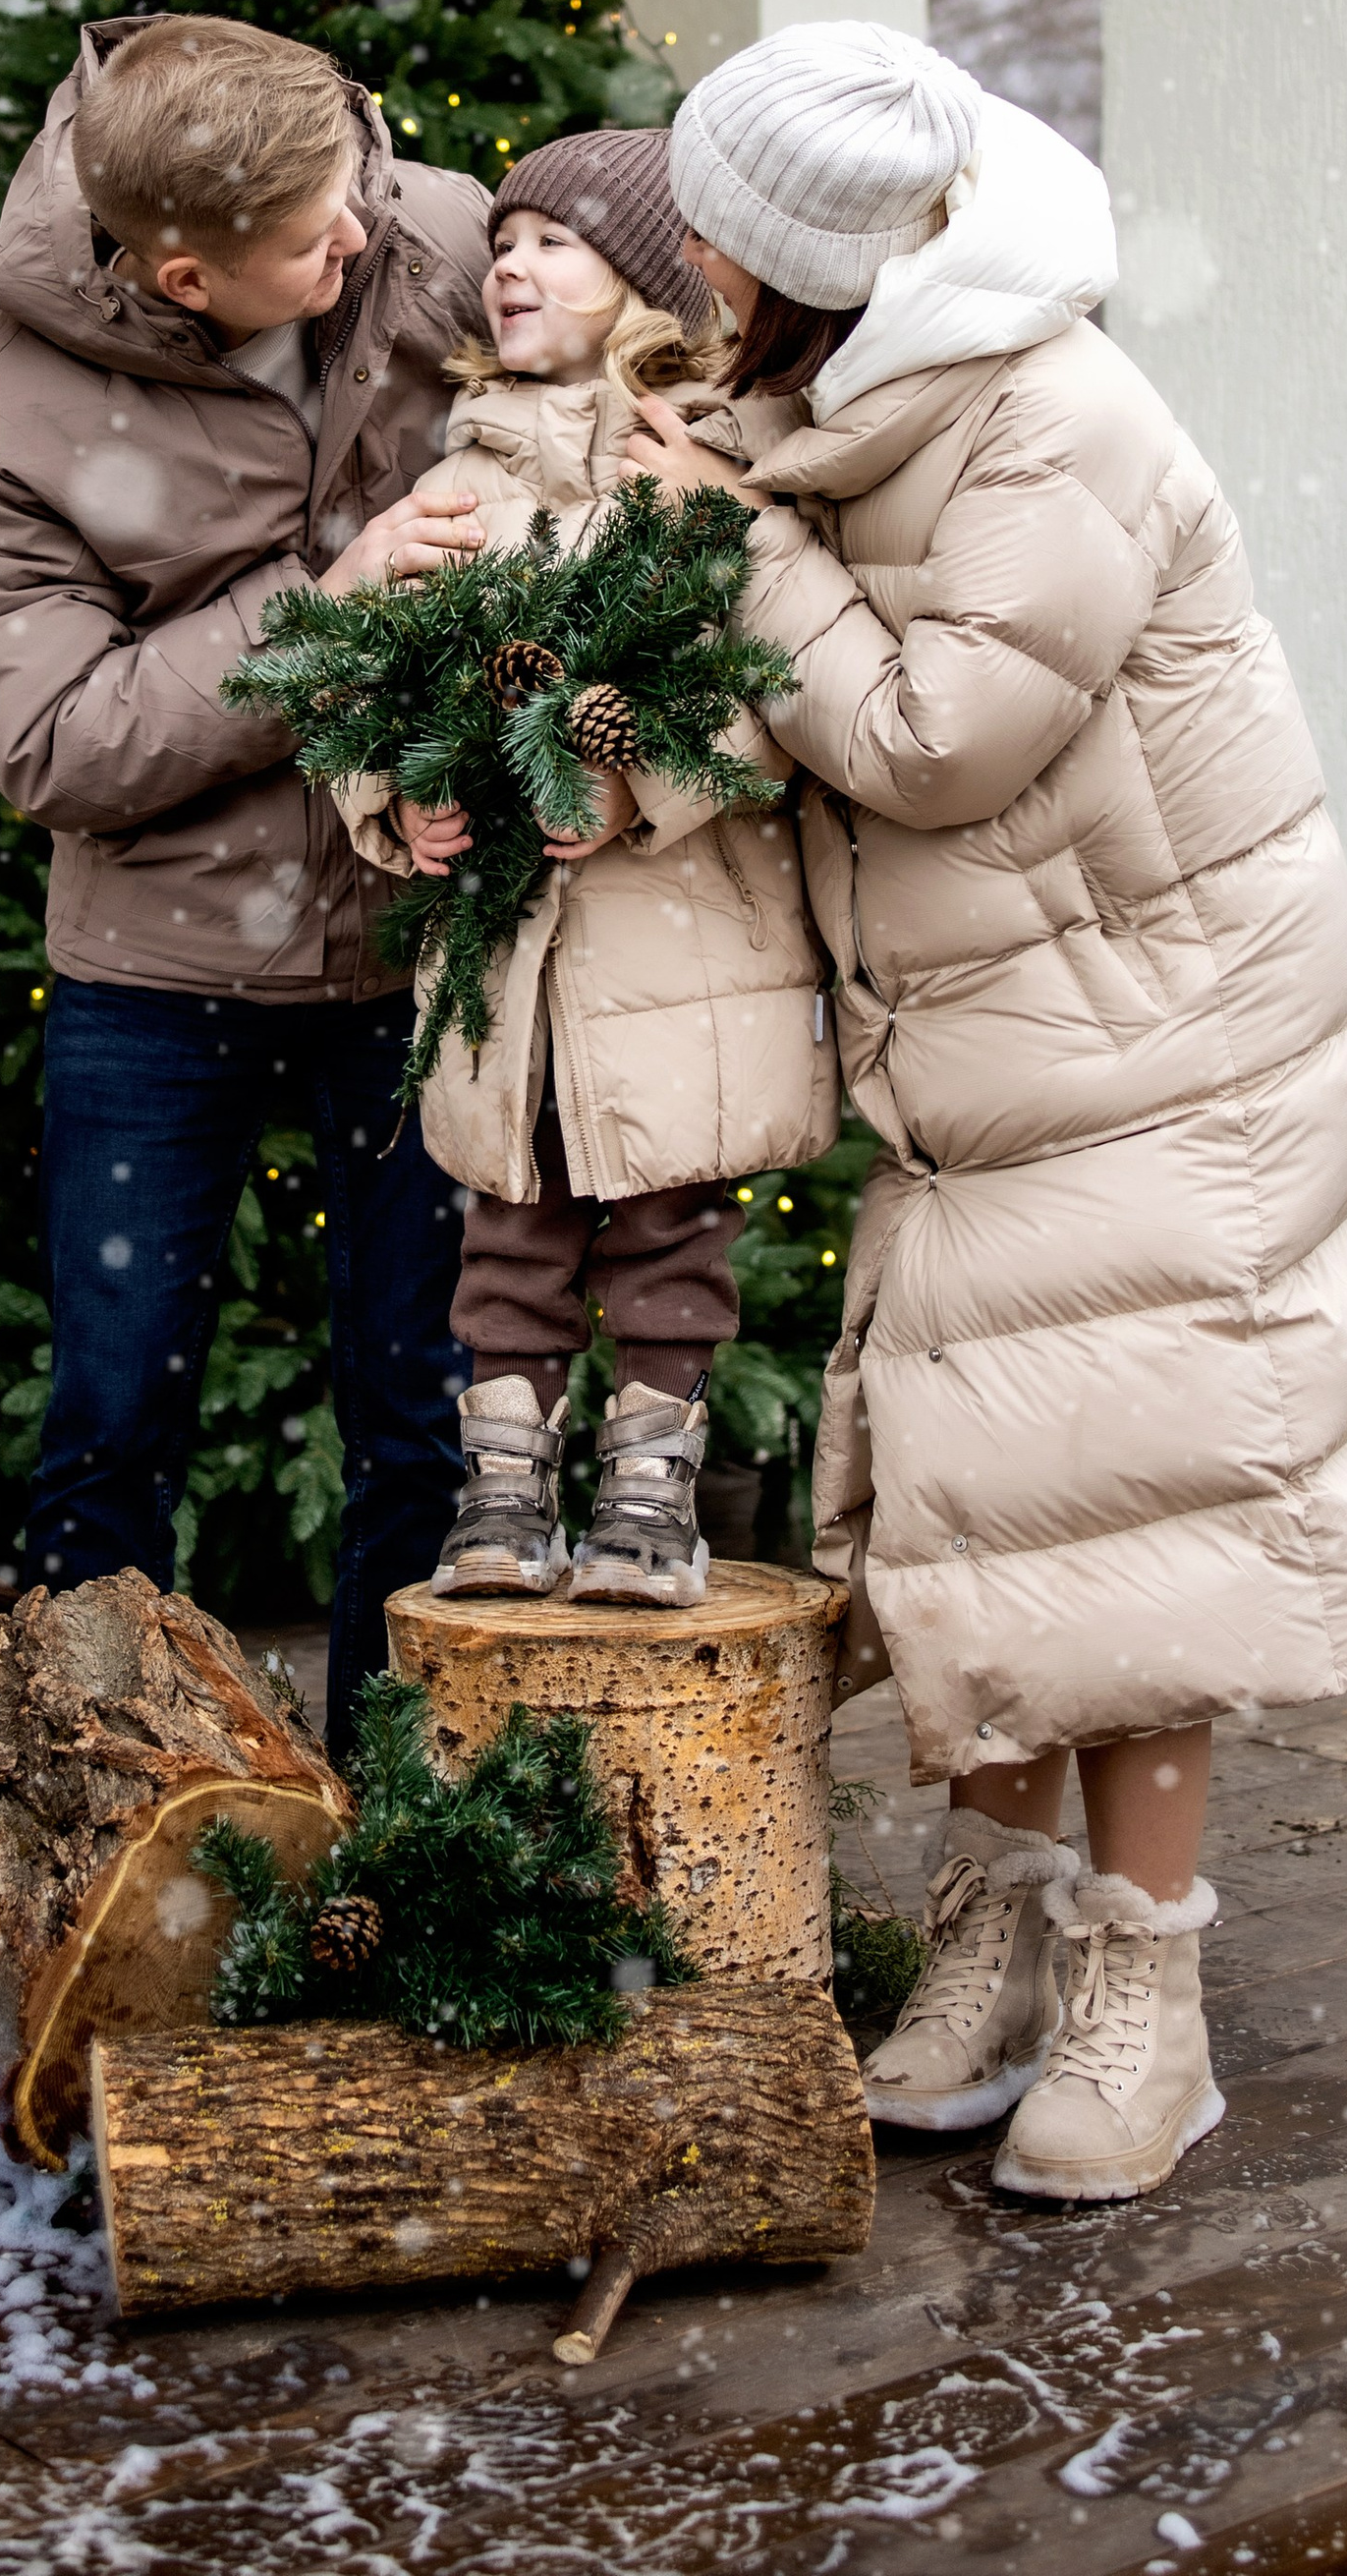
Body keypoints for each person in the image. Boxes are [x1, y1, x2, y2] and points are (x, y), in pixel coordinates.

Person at [624, 21, 1347, 2204]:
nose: (685, 269)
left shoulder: (1052, 420)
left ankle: (1144, 1996)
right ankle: (996, 1947)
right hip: (1002, 1062)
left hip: (1153, 1056)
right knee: (996, 1521)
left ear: (801, 257)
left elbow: (925, 739)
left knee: (1128, 1527)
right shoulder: (873, 376)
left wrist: (733, 542)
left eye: (713, 239)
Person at [0, 11, 491, 1722]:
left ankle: (407, 1812)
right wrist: (329, 604)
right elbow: (58, 744)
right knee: (111, 1417)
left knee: (431, 1405)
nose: (367, 243)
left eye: (357, 197)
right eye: (316, 243)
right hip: (154, 983)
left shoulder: (425, 227)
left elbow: (630, 397)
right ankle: (101, 1800)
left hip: (420, 941)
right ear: (178, 275)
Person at [335, 132, 837, 1604]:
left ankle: (647, 1492)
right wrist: (401, 806)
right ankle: (502, 1490)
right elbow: (373, 682)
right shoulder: (464, 483)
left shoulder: (706, 472)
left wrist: (634, 787)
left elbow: (773, 702)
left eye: (557, 241)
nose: (512, 264)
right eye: (504, 242)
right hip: (505, 949)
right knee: (510, 1225)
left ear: (651, 286)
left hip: (683, 943)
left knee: (669, 1221)